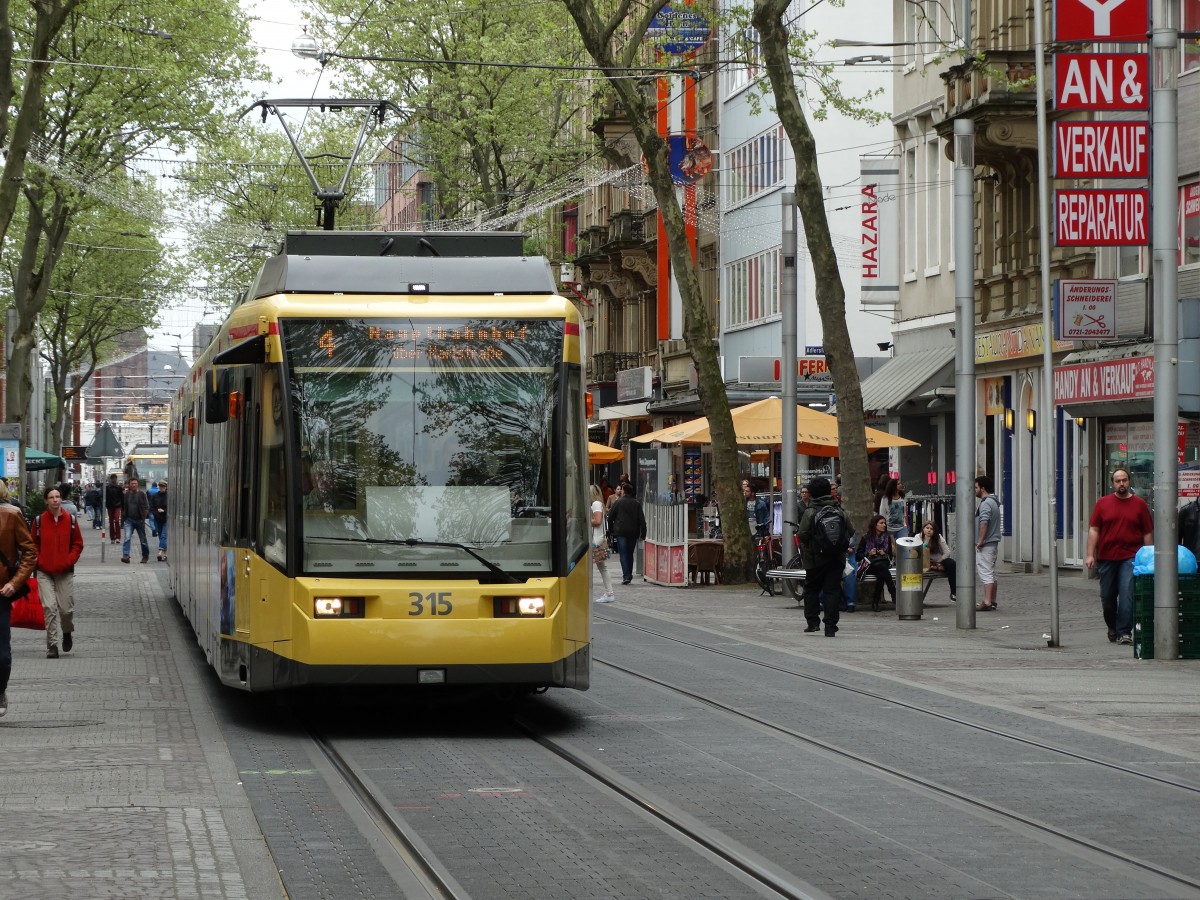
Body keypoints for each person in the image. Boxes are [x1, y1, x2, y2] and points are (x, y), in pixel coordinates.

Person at [1085, 467, 1153, 644]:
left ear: (1129, 482)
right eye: (1118, 481)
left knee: (1126, 593)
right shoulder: (1103, 503)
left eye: (1124, 480)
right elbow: (1094, 529)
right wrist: (1090, 554)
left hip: (1130, 557)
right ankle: (1112, 627)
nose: (1121, 483)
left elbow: (1147, 532)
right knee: (1107, 597)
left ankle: (1124, 632)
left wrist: (1149, 556)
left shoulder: (1139, 504)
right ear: (1112, 484)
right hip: (1107, 557)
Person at [33, 485, 84, 658]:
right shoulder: (39, 521)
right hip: (44, 571)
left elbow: (78, 543)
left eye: (57, 497)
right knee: (49, 608)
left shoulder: (70, 520)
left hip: (65, 571)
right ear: (46, 500)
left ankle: (67, 632)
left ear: (61, 499)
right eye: (51, 497)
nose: (55, 500)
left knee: (66, 610)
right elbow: (32, 545)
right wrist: (39, 560)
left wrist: (69, 560)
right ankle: (52, 645)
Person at [797, 476, 852, 636]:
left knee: (811, 589)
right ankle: (831, 626)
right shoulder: (838, 509)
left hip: (815, 558)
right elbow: (851, 529)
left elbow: (802, 534)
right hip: (837, 558)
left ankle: (813, 622)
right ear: (829, 491)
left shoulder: (811, 511)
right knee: (832, 590)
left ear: (812, 493)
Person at [0, 481, 37, 716]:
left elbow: (30, 552)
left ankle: (0, 690)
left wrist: (15, 583)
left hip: (2, 592)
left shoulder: (11, 515)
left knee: (2, 653)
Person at [607, 482, 646, 585]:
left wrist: (611, 531)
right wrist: (643, 534)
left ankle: (626, 576)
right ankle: (629, 574)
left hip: (620, 531)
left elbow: (610, 517)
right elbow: (642, 520)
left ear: (623, 491)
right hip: (633, 532)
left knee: (623, 554)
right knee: (630, 553)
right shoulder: (636, 503)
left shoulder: (618, 502)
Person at [856, 514, 897, 612]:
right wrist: (868, 553)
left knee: (881, 571)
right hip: (870, 565)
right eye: (881, 523)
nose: (884, 525)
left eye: (884, 523)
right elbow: (858, 556)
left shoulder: (887, 538)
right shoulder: (866, 537)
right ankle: (893, 594)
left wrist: (885, 552)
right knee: (882, 570)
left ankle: (876, 602)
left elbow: (891, 556)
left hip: (883, 563)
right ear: (875, 525)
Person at [974, 475, 1002, 611]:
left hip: (987, 543)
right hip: (992, 541)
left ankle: (987, 601)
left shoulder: (986, 503)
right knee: (991, 572)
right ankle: (992, 600)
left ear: (982, 488)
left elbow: (984, 522)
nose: (975, 490)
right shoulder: (994, 502)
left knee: (985, 572)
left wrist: (980, 540)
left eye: (976, 487)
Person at [921, 520, 957, 603]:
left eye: (931, 529)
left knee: (952, 564)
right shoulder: (917, 537)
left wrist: (938, 561)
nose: (929, 530)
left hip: (938, 560)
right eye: (927, 528)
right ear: (923, 529)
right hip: (924, 561)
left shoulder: (938, 537)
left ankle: (954, 592)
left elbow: (947, 552)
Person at [590, 485, 615, 603]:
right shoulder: (600, 504)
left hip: (595, 541)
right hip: (599, 540)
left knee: (600, 568)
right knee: (602, 567)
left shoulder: (595, 504)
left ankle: (609, 593)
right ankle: (609, 593)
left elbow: (598, 521)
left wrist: (585, 520)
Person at [121, 477, 151, 564]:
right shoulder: (127, 495)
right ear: (129, 485)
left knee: (143, 540)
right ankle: (126, 555)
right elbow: (124, 507)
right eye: (132, 484)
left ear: (137, 485)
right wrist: (124, 517)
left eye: (135, 483)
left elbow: (146, 508)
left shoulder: (142, 494)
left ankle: (145, 556)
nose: (133, 485)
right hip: (129, 520)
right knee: (127, 538)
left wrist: (143, 518)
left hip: (139, 520)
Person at [104, 473, 123, 544]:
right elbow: (105, 497)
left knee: (117, 521)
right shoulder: (107, 488)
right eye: (113, 478)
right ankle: (112, 538)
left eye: (115, 478)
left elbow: (122, 497)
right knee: (111, 522)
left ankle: (118, 537)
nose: (114, 480)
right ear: (111, 479)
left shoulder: (119, 488)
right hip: (110, 507)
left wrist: (122, 506)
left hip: (117, 506)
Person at [153, 480, 169, 561]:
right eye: (160, 486)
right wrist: (156, 512)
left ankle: (160, 552)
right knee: (160, 535)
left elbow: (172, 508)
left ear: (166, 487)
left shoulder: (169, 496)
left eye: (163, 486)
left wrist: (164, 511)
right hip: (158, 518)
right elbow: (152, 506)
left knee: (164, 535)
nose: (162, 488)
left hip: (166, 519)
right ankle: (165, 554)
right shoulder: (155, 496)